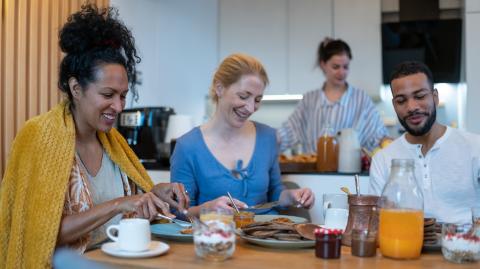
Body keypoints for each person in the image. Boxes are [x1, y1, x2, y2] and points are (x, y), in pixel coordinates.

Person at [0, 5, 188, 269]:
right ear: (76, 88)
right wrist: (117, 205)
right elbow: (40, 234)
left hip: (121, 260)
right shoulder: (38, 136)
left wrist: (154, 193)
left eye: (123, 95)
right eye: (108, 95)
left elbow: (132, 207)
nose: (119, 107)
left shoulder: (114, 142)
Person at [171, 53, 315, 216]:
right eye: (243, 96)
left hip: (265, 236)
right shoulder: (188, 146)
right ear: (220, 88)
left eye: (258, 100)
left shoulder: (268, 137)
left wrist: (292, 196)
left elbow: (275, 192)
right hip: (217, 237)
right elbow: (178, 212)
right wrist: (207, 209)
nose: (250, 108)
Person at [369, 61, 480, 223]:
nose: (412, 107)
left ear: (435, 97)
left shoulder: (475, 148)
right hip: (405, 244)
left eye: (420, 96)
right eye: (401, 101)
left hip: (467, 245)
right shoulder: (383, 160)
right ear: (394, 105)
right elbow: (378, 222)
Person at [277, 38, 389, 153]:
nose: (341, 72)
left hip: (350, 169)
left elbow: (379, 135)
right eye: (335, 67)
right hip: (313, 170)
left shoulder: (361, 99)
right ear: (323, 64)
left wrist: (389, 143)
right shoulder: (309, 100)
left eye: (345, 67)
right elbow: (288, 132)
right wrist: (266, 138)